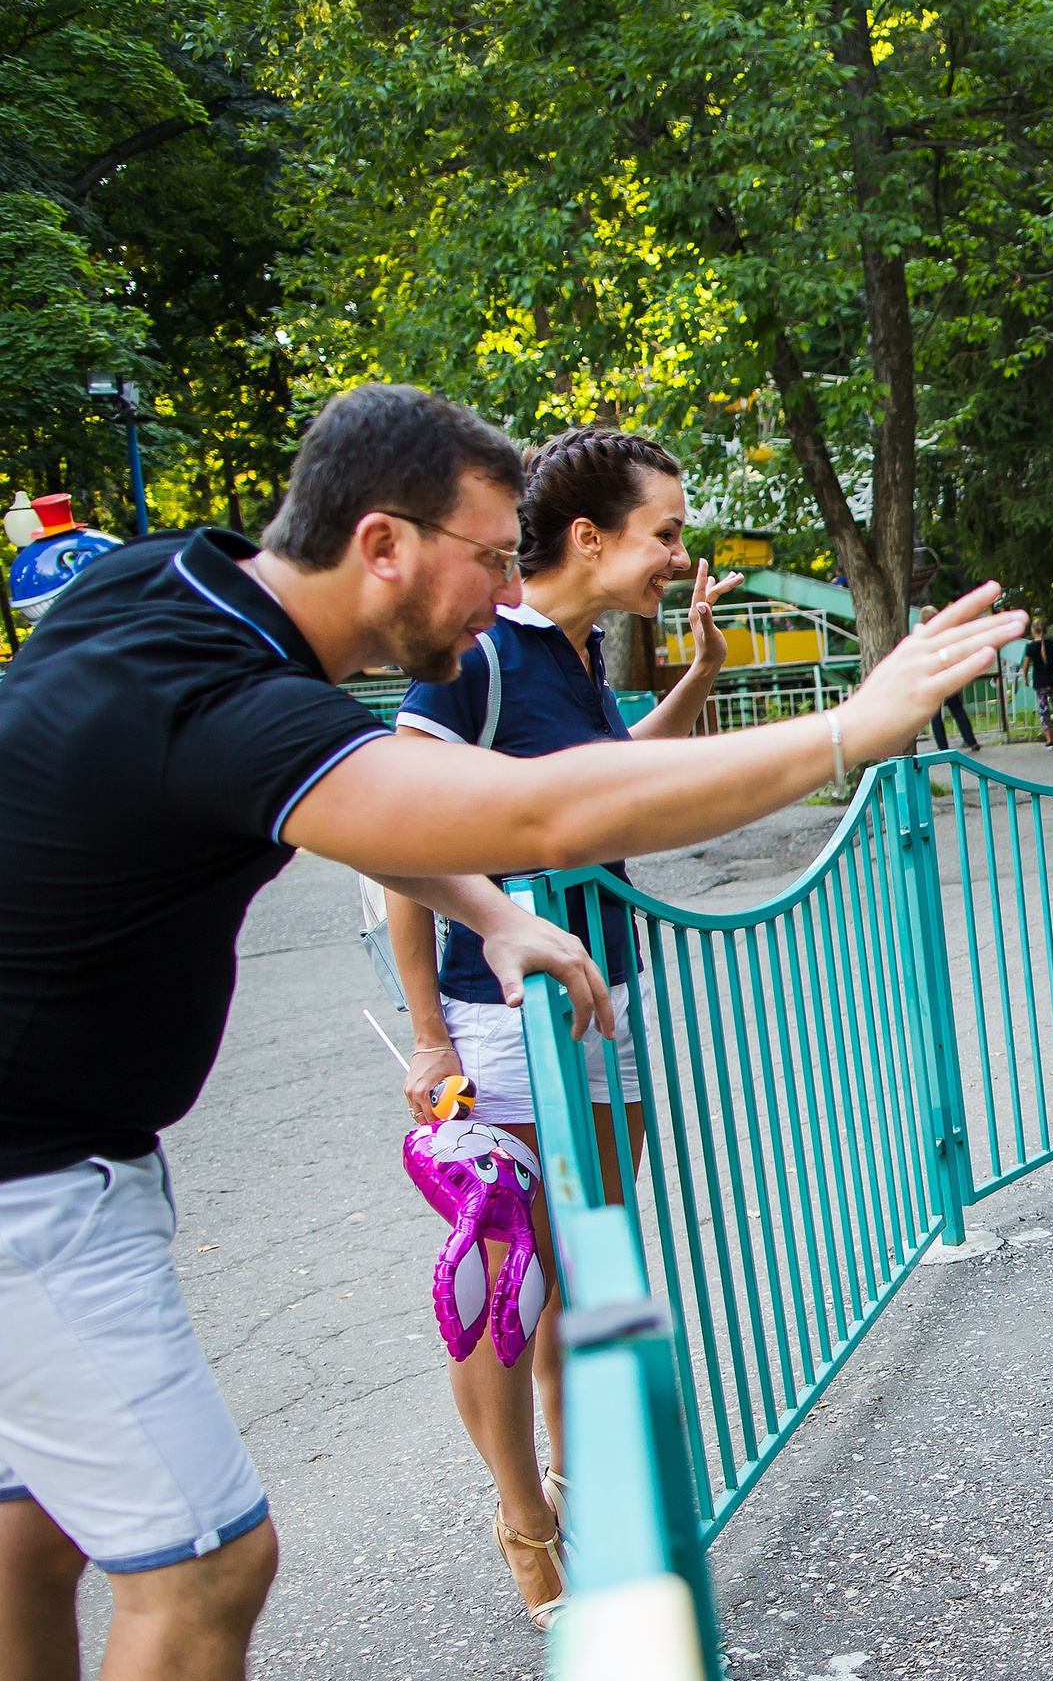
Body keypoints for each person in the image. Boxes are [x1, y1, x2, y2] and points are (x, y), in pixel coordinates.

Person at [0, 382, 1021, 1681]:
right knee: (205, 1568)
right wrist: (846, 730)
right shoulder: (231, 704)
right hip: (34, 1181)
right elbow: (537, 813)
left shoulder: (169, 590)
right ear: (382, 544)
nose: (503, 591)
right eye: (488, 559)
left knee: (34, 1535)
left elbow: (386, 816)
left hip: (44, 1156)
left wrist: (495, 916)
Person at [384, 427, 738, 1627]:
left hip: (608, 1003)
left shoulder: (576, 660)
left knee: (581, 1275)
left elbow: (602, 792)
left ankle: (586, 1492)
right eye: (667, 534)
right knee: (508, 1285)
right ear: (591, 538)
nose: (676, 555)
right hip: (503, 1022)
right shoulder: (476, 655)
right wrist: (429, 1034)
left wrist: (690, 677)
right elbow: (396, 840)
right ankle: (524, 1520)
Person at [917, 603, 982, 753]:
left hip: (933, 679)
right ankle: (971, 741)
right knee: (957, 709)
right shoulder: (945, 635)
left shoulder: (923, 639)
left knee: (935, 715)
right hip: (947, 676)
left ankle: (943, 747)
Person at [1027, 618, 1053, 746]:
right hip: (1052, 681)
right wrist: (1052, 666)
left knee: (1044, 710)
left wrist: (1024, 677)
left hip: (1039, 683)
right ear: (1046, 630)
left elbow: (1025, 665)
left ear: (1033, 630)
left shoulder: (1030, 647)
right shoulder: (1052, 644)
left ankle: (1049, 740)